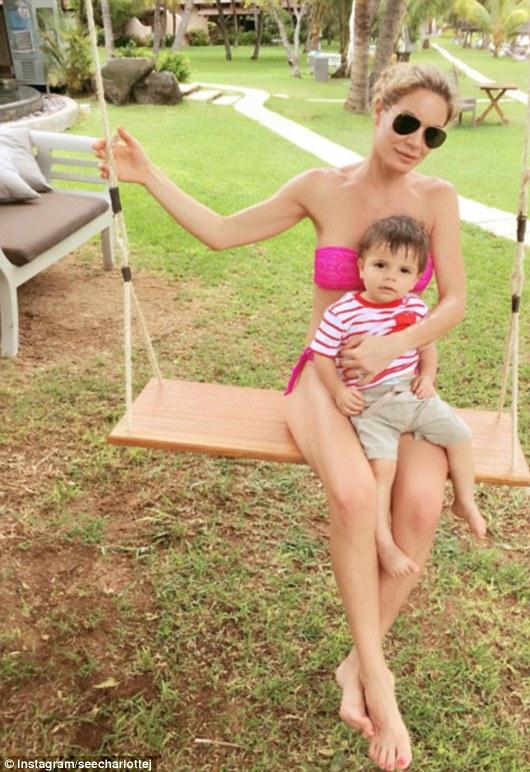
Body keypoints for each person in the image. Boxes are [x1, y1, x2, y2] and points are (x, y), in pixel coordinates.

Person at [94, 63, 467, 772]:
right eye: (407, 122)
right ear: (379, 109)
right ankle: (378, 677)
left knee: (421, 505)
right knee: (354, 495)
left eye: (434, 134)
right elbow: (221, 232)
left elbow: (453, 301)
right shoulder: (320, 187)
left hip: (399, 383)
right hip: (323, 380)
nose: (417, 141)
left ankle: (355, 661)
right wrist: (147, 176)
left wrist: (396, 346)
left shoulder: (436, 199)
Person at [308, 215, 486, 579]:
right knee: (382, 470)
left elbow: (427, 348)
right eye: (380, 266)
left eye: (403, 271)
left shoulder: (415, 309)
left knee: (459, 435)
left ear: (416, 278)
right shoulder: (343, 311)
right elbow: (321, 355)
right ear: (361, 267)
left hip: (413, 396)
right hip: (371, 406)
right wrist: (339, 390)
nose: (390, 277)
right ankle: (384, 542)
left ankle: (465, 500)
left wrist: (428, 375)